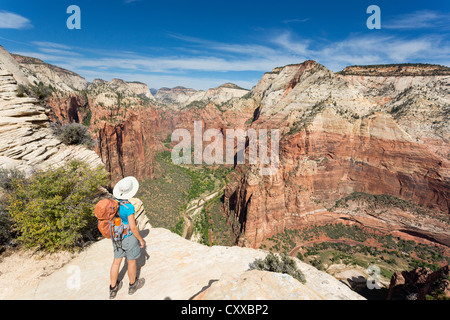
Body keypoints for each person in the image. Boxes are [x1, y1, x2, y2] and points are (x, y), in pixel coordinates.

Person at [109, 176, 146, 299]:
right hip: (128, 237)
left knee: (116, 261)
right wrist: (141, 240)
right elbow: (133, 227)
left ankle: (113, 289)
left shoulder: (113, 203)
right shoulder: (128, 207)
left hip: (116, 236)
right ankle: (132, 285)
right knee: (131, 261)